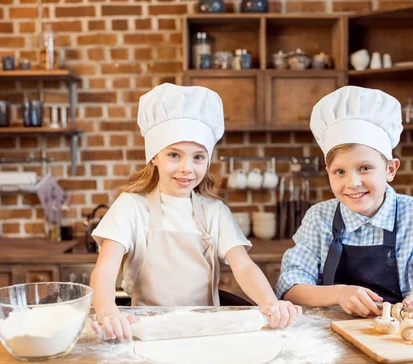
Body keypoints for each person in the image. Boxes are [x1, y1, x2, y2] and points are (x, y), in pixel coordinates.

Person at [91, 83, 301, 340]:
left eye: (198, 157)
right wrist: (107, 312)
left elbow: (243, 266)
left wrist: (270, 302)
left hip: (204, 332)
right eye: (174, 155)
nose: (187, 168)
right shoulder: (131, 206)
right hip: (146, 331)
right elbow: (105, 269)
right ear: (154, 157)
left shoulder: (215, 212)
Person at [276, 86, 413, 320]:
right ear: (327, 172)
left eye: (365, 168)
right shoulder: (319, 218)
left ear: (390, 169)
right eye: (339, 171)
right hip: (333, 335)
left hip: (403, 335)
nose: (353, 182)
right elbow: (291, 287)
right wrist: (339, 294)